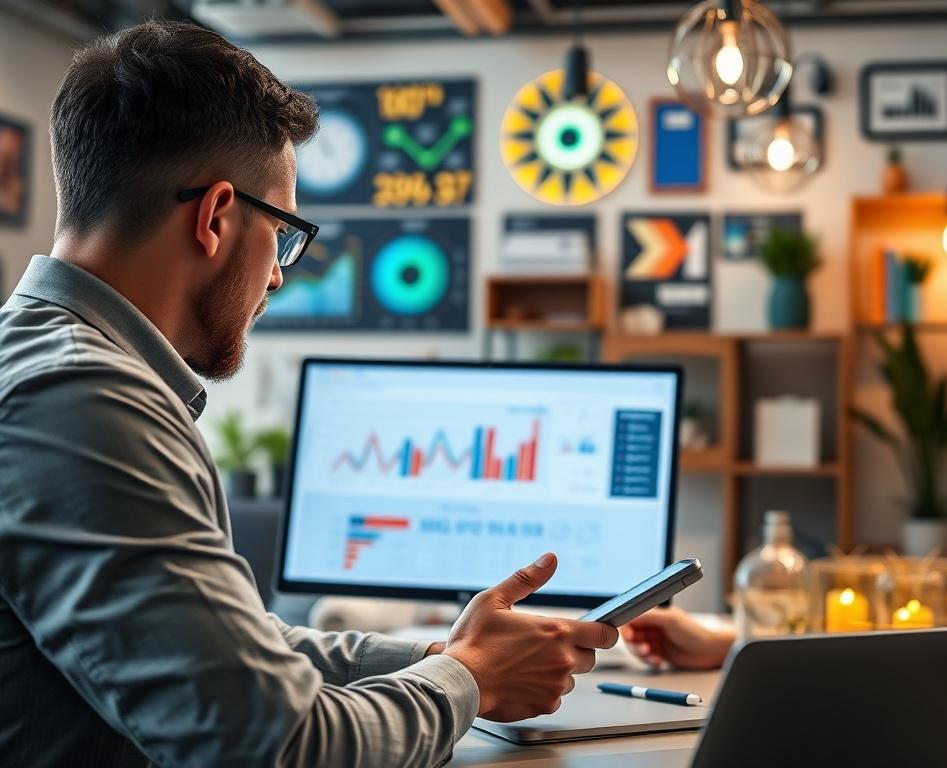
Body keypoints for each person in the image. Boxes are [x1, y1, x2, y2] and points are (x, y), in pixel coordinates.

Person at [0, 21, 622, 768]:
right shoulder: (84, 400)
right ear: (215, 217)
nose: (277, 275)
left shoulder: (55, 368)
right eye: (285, 235)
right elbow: (278, 745)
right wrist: (470, 679)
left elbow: (230, 653)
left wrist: (438, 656)